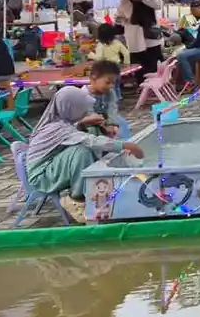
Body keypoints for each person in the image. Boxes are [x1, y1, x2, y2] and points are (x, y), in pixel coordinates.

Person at [24, 87, 144, 218]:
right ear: (71, 108)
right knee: (81, 151)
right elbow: (90, 141)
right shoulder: (57, 128)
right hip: (42, 177)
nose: (85, 112)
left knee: (91, 130)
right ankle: (76, 198)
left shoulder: (60, 122)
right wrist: (125, 145)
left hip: (50, 169)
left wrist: (85, 123)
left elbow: (77, 132)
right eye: (81, 109)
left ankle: (100, 180)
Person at [116, 0, 164, 82]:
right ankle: (141, 84)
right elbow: (118, 17)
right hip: (133, 36)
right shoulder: (124, 2)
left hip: (150, 36)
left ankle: (154, 83)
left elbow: (159, 4)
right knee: (138, 63)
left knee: (152, 62)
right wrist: (123, 20)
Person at [86, 60, 129, 138]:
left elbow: (112, 108)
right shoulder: (84, 94)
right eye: (108, 82)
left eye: (113, 83)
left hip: (106, 120)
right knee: (92, 131)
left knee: (122, 122)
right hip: (90, 123)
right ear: (93, 78)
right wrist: (104, 126)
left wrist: (112, 124)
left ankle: (124, 146)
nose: (111, 86)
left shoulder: (110, 92)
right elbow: (89, 114)